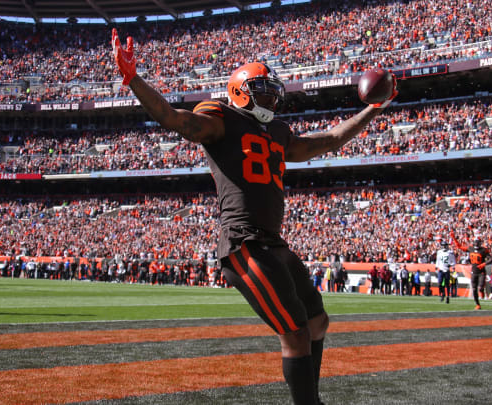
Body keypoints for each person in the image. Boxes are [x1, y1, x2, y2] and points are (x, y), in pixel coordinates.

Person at [112, 28, 397, 405]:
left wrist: (373, 109)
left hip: (273, 242)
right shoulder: (220, 118)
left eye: (271, 90)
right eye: (261, 90)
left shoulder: (277, 131)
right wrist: (134, 80)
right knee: (294, 332)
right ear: (239, 91)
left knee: (317, 323)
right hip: (242, 242)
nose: (269, 97)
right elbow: (172, 118)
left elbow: (329, 139)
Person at [452, 232, 492, 310]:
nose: (476, 243)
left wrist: (483, 264)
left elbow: (491, 259)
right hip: (474, 271)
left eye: (477, 242)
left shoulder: (483, 250)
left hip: (481, 272)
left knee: (480, 288)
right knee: (474, 289)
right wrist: (454, 238)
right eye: (475, 242)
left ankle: (483, 292)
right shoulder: (470, 248)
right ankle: (478, 304)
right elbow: (459, 246)